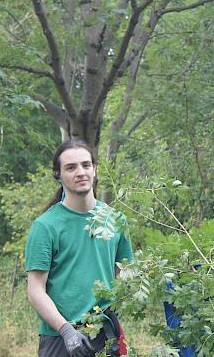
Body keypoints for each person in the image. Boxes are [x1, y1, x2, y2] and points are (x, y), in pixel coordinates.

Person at [25, 140, 134, 357]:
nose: (80, 172)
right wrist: (66, 331)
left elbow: (125, 273)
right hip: (60, 338)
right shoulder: (46, 226)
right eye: (71, 167)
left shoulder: (116, 220)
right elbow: (35, 289)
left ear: (95, 170)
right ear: (58, 175)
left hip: (106, 335)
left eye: (86, 165)